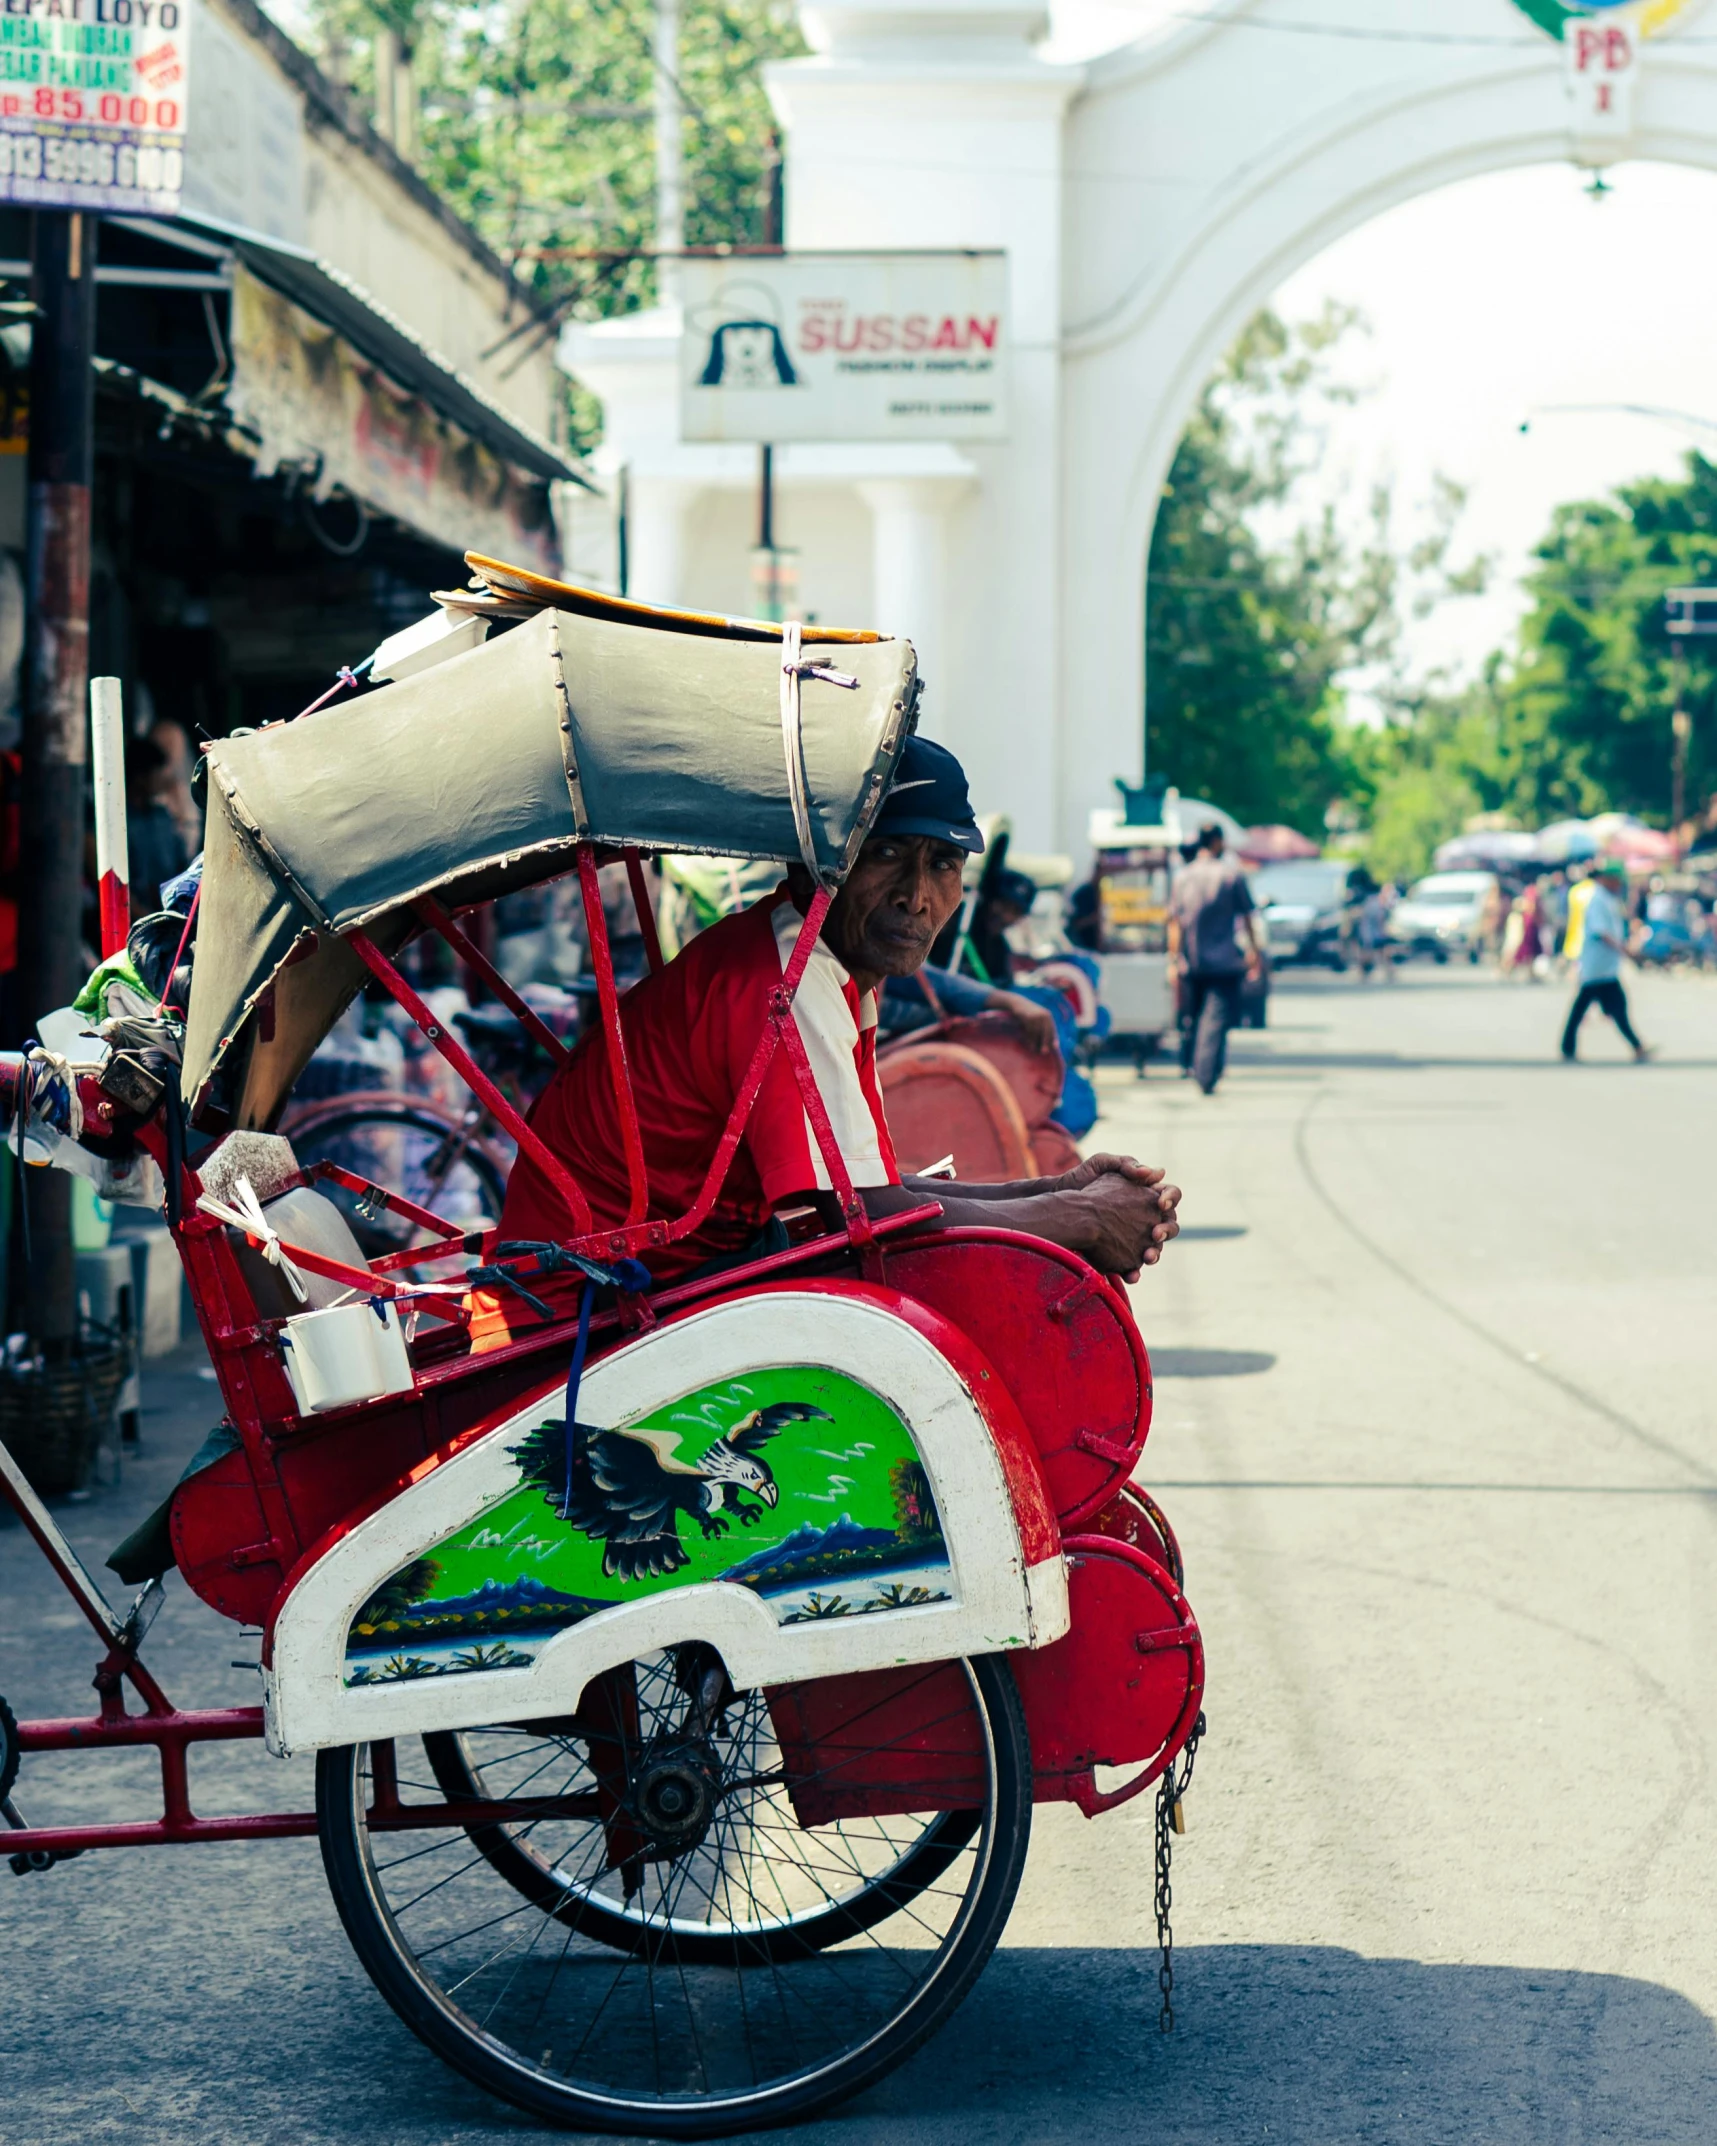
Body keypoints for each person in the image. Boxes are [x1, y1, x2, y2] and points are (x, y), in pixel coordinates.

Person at [472, 736, 1181, 1346]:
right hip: (596, 1299)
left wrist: (1054, 1190)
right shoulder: (790, 975)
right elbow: (865, 1215)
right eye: (888, 855)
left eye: (942, 865)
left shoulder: (833, 974)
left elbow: (877, 1188)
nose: (916, 895)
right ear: (824, 867)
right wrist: (1079, 1217)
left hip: (674, 1268)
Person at [1167, 822, 1264, 1094]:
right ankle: (1206, 1073)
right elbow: (1247, 918)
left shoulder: (1183, 877)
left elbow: (1175, 923)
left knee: (1195, 1016)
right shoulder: (1230, 876)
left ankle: (1195, 1065)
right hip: (1223, 963)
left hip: (1192, 961)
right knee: (1216, 1018)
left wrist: (1173, 960)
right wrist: (1254, 952)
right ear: (1217, 842)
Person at [1559, 859, 1652, 1064]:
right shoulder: (1597, 900)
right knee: (1610, 1007)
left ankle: (1568, 1046)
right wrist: (1624, 950)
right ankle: (1637, 1046)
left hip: (1605, 966)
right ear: (1608, 879)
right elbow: (1601, 932)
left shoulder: (1608, 898)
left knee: (1605, 1007)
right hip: (1597, 965)